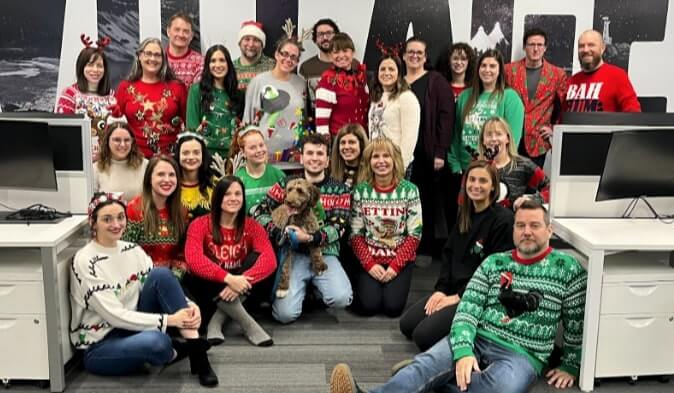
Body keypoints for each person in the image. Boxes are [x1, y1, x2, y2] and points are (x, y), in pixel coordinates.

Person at [330, 200, 587, 393]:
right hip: (479, 336)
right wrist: (464, 350)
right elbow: (468, 310)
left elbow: (576, 322)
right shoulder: (494, 262)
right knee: (430, 363)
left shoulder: (568, 268)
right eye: (520, 225)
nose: (527, 231)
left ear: (549, 230)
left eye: (534, 225)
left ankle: (431, 378)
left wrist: (570, 365)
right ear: (514, 230)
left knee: (502, 389)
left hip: (522, 354)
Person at [69, 192, 217, 386]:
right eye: (107, 219)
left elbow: (163, 286)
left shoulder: (132, 249)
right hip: (100, 344)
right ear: (93, 223)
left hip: (133, 327)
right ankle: (172, 350)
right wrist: (170, 320)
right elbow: (115, 315)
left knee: (161, 275)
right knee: (158, 342)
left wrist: (190, 305)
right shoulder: (85, 260)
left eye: (120, 217)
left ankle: (197, 354)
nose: (116, 224)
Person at [399, 160, 514, 351]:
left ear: (493, 185)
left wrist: (457, 298)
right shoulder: (465, 215)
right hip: (453, 291)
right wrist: (441, 291)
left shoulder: (503, 221)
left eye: (483, 181)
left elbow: (496, 275)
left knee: (422, 337)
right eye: (472, 180)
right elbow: (449, 255)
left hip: (477, 298)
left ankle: (474, 333)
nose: (476, 185)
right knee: (407, 325)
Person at [252, 133, 352, 323]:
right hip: (293, 254)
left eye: (320, 154)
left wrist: (310, 237)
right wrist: (277, 230)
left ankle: (315, 287)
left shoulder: (340, 189)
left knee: (341, 298)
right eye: (310, 153)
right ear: (301, 157)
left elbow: (339, 227)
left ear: (327, 159)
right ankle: (303, 290)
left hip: (324, 253)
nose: (315, 158)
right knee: (284, 315)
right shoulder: (286, 183)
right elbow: (260, 211)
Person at [184, 176, 277, 346]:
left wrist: (241, 282)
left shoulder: (252, 226)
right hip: (211, 290)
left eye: (237, 194)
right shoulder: (199, 224)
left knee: (257, 259)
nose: (233, 198)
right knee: (198, 269)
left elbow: (270, 260)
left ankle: (217, 320)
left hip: (243, 290)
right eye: (227, 194)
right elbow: (193, 259)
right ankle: (248, 324)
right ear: (218, 197)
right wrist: (230, 279)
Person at [350, 137, 422, 317]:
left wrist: (396, 266)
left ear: (394, 160)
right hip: (370, 257)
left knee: (393, 308)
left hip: (399, 257)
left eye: (386, 156)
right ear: (369, 161)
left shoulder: (410, 190)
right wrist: (369, 264)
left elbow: (415, 234)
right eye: (376, 156)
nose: (381, 161)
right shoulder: (360, 191)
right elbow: (356, 234)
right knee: (369, 306)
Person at [403, 37, 455, 262]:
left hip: (426, 152)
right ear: (404, 56)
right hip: (401, 153)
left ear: (425, 57)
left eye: (419, 53)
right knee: (402, 200)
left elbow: (446, 117)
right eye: (410, 52)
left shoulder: (436, 81)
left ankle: (424, 247)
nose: (414, 56)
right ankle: (404, 246)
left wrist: (440, 151)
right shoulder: (397, 80)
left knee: (425, 201)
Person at [449, 49, 524, 175]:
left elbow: (513, 138)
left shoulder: (510, 97)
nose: (487, 70)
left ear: (500, 70)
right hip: (465, 168)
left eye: (493, 66)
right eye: (483, 65)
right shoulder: (465, 96)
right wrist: (455, 164)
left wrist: (501, 166)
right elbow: (456, 133)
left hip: (495, 170)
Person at [505, 28, 568, 168]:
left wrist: (554, 128)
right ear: (524, 47)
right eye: (531, 44)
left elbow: (563, 106)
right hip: (509, 138)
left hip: (537, 141)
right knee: (507, 184)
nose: (535, 49)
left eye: (539, 45)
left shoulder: (557, 74)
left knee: (531, 186)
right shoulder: (508, 71)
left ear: (545, 48)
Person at [115, 37, 187, 157]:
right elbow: (116, 125)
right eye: (148, 54)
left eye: (157, 55)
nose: (152, 58)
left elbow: (187, 123)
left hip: (169, 159)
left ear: (163, 59)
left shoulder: (177, 87)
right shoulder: (125, 87)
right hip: (133, 158)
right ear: (139, 56)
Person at [243, 37, 306, 167]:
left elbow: (304, 119)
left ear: (297, 61)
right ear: (277, 54)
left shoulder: (301, 84)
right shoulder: (258, 82)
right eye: (285, 54)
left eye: (293, 57)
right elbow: (248, 120)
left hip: (294, 158)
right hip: (263, 157)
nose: (288, 59)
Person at [123, 156, 188, 280]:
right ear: (149, 178)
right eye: (161, 175)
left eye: (172, 175)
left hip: (172, 280)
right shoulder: (134, 210)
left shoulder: (182, 211)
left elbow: (182, 255)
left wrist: (172, 280)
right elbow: (126, 253)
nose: (167, 180)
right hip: (140, 282)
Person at [55, 41, 116, 161]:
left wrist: (105, 153)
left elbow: (116, 130)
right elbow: (63, 131)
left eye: (99, 65)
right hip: (77, 159)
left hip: (107, 160)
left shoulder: (112, 96)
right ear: (81, 67)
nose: (95, 70)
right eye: (90, 65)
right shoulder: (69, 94)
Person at [478, 117, 550, 210]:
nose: (494, 139)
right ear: (483, 140)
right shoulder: (476, 166)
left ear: (507, 138)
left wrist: (532, 199)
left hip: (513, 222)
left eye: (498, 134)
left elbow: (550, 188)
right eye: (489, 135)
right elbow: (463, 202)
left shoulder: (523, 165)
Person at [186, 44, 243, 159]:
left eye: (222, 60)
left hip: (232, 157)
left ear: (228, 64)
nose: (218, 65)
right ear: (207, 65)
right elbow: (191, 126)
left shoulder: (238, 94)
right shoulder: (196, 90)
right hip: (204, 156)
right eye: (213, 61)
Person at [563, 29, 641, 113]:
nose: (585, 50)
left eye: (591, 45)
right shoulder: (571, 81)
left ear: (602, 48)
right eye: (581, 46)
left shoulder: (617, 76)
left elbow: (633, 112)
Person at [368, 55, 421, 171]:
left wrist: (400, 166)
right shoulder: (376, 98)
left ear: (399, 74)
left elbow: (409, 138)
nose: (386, 73)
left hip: (396, 165)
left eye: (391, 69)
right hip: (376, 162)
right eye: (382, 69)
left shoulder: (407, 98)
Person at [315, 32, 369, 138]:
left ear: (352, 53)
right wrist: (325, 146)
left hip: (362, 140)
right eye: (336, 52)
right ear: (330, 56)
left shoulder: (360, 77)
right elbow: (321, 123)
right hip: (339, 142)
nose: (341, 55)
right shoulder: (328, 81)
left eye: (345, 51)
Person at [299, 18, 355, 120]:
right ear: (315, 40)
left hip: (347, 124)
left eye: (329, 33)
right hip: (317, 125)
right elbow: (302, 102)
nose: (325, 37)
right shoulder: (306, 67)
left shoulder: (352, 64)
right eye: (320, 34)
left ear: (337, 36)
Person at [233, 126, 286, 214]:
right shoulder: (238, 179)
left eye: (261, 145)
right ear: (243, 152)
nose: (259, 150)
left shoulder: (278, 175)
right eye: (252, 147)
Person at [94, 120, 148, 201]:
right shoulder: (96, 169)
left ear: (132, 142)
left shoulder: (145, 165)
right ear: (107, 141)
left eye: (126, 140)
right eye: (117, 140)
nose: (122, 144)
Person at [175, 133, 214, 221]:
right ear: (178, 155)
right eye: (185, 153)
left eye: (196, 152)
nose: (191, 157)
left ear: (203, 155)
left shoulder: (215, 185)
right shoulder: (170, 184)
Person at [234, 21, 275, 92]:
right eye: (247, 39)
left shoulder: (273, 67)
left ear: (262, 45)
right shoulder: (231, 68)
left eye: (256, 40)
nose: (251, 44)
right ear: (240, 43)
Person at [165, 12, 203, 86]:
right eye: (177, 30)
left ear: (191, 36)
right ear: (168, 31)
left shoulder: (199, 62)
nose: (181, 34)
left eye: (186, 31)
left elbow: (197, 94)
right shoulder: (158, 59)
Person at [329, 123, 369, 189]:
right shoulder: (331, 173)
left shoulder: (372, 174)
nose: (346, 147)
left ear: (361, 145)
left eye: (351, 142)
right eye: (343, 143)